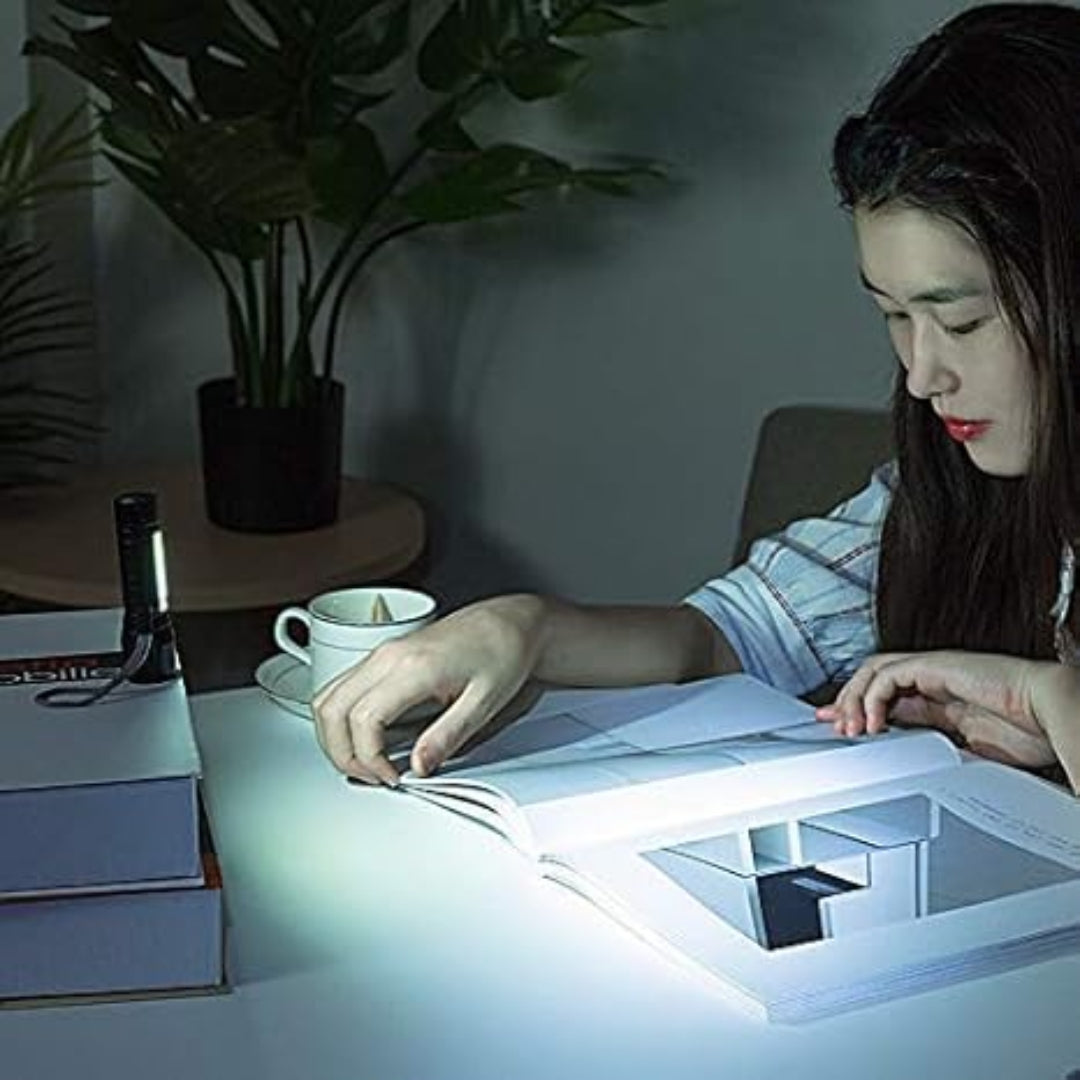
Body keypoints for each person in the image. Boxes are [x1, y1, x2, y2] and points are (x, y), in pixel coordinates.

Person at [314, 2, 1080, 794]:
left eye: (961, 320)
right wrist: (523, 628)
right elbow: (728, 635)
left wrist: (1051, 697)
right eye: (893, 315)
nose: (922, 376)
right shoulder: (948, 497)